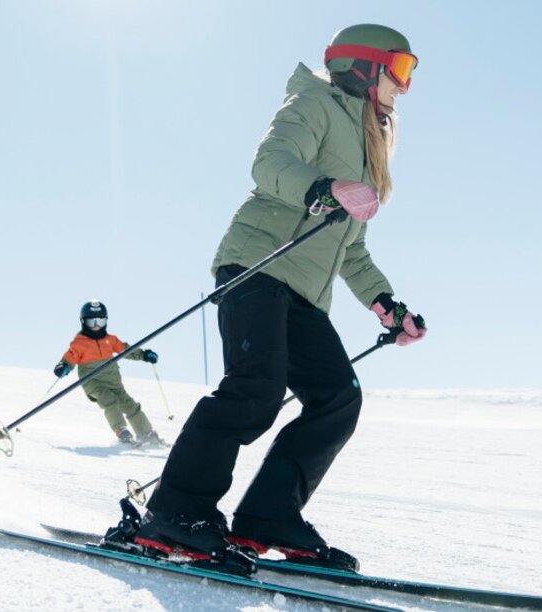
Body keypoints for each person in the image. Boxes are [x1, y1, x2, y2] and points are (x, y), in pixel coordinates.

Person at [115, 24, 428, 576]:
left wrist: (387, 306)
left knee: (337, 397)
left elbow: (351, 250)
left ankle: (267, 518)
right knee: (255, 389)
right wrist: (324, 187)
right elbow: (270, 163)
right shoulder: (315, 103)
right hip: (255, 267)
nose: (404, 87)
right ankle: (176, 514)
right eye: (400, 70)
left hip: (306, 291)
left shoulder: (366, 146)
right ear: (364, 66)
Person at [52, 300, 166, 447]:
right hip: (93, 383)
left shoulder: (110, 340)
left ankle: (146, 433)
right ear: (83, 322)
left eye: (100, 321)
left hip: (114, 382)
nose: (96, 326)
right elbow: (70, 357)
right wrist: (64, 366)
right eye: (92, 322)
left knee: (130, 405)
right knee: (109, 400)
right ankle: (121, 431)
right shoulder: (79, 343)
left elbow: (126, 350)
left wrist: (143, 355)